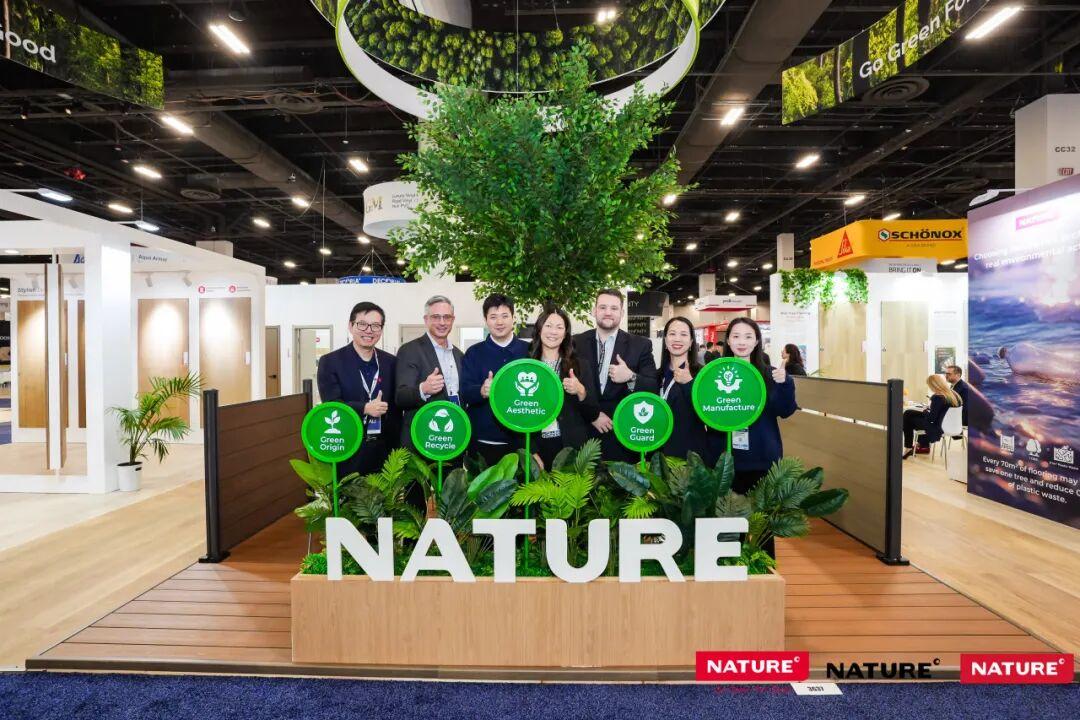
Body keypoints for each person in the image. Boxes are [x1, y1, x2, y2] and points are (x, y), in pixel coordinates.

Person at [573, 289, 658, 461]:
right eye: (603, 307)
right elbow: (569, 386)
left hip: (622, 435)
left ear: (622, 313)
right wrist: (593, 415)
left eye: (614, 308)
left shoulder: (640, 345)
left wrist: (631, 377)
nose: (608, 312)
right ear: (594, 310)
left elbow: (653, 387)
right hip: (583, 433)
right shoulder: (576, 342)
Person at [317, 302, 400, 477]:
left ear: (381, 329)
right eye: (362, 324)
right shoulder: (330, 362)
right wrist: (365, 408)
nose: (369, 331)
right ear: (350, 326)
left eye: (376, 325)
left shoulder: (391, 362)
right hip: (349, 448)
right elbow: (331, 404)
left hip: (386, 452)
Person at [719, 317, 797, 495]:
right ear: (728, 341)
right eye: (736, 336)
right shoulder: (717, 375)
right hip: (726, 461)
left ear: (756, 342)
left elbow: (785, 410)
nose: (742, 342)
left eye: (748, 336)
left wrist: (785, 383)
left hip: (762, 458)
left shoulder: (770, 374)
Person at [461, 294, 529, 467]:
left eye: (505, 316)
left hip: (522, 440)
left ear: (513, 318)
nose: (499, 322)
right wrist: (481, 391)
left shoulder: (529, 351)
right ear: (486, 320)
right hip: (483, 441)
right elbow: (465, 391)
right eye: (493, 317)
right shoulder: (473, 353)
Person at [395, 295, 464, 451]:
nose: (442, 322)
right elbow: (401, 397)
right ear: (426, 320)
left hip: (451, 438)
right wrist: (423, 389)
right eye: (436, 317)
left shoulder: (459, 355)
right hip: (422, 438)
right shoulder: (410, 350)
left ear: (453, 320)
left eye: (447, 317)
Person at [528, 307, 595, 469]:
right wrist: (531, 451)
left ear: (565, 334)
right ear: (539, 329)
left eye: (559, 327)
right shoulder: (526, 365)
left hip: (571, 447)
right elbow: (517, 413)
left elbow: (593, 413)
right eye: (548, 326)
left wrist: (581, 391)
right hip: (537, 446)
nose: (553, 332)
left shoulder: (580, 366)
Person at [658, 317, 712, 462]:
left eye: (683, 334)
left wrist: (689, 383)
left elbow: (708, 413)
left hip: (690, 457)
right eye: (672, 334)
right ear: (665, 340)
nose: (677, 339)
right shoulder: (657, 375)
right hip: (659, 456)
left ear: (691, 342)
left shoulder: (703, 374)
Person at [902, 374, 962, 458]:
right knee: (908, 412)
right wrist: (928, 410)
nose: (930, 388)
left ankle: (909, 447)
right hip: (951, 425)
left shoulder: (938, 397)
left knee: (908, 419)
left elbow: (931, 418)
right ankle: (922, 444)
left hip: (937, 427)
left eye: (930, 386)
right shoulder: (954, 394)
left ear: (934, 385)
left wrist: (926, 411)